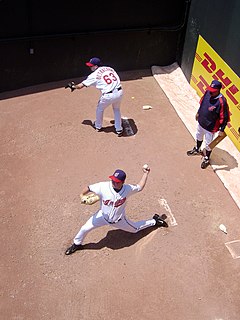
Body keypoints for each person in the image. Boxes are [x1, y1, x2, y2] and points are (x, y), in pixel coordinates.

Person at [65, 166, 168, 255]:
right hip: (102, 217)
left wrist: (146, 174)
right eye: (113, 180)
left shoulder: (128, 189)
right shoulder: (103, 186)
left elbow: (140, 187)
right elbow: (89, 187)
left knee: (135, 229)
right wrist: (82, 195)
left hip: (119, 220)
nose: (114, 182)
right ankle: (76, 244)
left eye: (117, 181)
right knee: (84, 228)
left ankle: (155, 220)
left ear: (122, 182)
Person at [70, 57, 124, 137]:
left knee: (100, 108)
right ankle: (119, 129)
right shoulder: (109, 68)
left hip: (108, 95)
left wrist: (74, 86)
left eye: (91, 66)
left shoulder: (93, 75)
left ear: (96, 66)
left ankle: (98, 126)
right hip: (119, 92)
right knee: (116, 109)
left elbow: (80, 86)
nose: (90, 67)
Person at [187, 80, 230, 169]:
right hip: (201, 121)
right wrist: (198, 112)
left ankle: (206, 158)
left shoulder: (222, 102)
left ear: (218, 90)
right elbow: (202, 103)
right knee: (198, 135)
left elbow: (224, 117)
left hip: (211, 127)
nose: (211, 92)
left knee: (208, 144)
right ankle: (197, 149)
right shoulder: (208, 92)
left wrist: (222, 130)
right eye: (210, 89)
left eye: (213, 91)